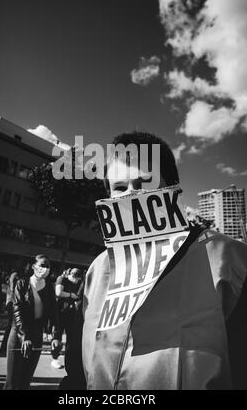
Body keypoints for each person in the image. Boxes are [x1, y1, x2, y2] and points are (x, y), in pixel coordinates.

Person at [80, 131, 247, 390]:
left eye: (145, 183)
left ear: (173, 189)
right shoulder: (98, 268)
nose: (132, 195)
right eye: (120, 188)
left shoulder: (229, 259)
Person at [4, 254, 60, 390]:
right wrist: (24, 337)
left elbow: (54, 313)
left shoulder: (49, 288)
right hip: (19, 334)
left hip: (36, 334)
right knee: (12, 382)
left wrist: (56, 336)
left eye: (47, 266)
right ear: (34, 266)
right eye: (42, 265)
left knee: (25, 380)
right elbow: (17, 311)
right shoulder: (22, 283)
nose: (45, 269)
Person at [52, 268, 82, 370]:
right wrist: (71, 295)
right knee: (57, 337)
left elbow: (77, 297)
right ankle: (55, 359)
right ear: (72, 275)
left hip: (71, 313)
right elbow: (58, 292)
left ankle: (69, 361)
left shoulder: (77, 283)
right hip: (59, 313)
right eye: (76, 279)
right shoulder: (62, 279)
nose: (77, 282)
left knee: (71, 339)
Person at [0, 260, 30, 356]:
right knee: (11, 325)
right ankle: (5, 348)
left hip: (13, 302)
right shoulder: (15, 275)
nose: (28, 268)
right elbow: (13, 289)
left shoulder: (19, 275)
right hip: (12, 302)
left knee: (12, 325)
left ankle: (5, 348)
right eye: (27, 266)